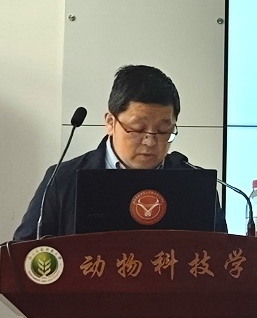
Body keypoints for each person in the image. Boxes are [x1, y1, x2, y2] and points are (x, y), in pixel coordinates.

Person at [14, 65, 227, 240]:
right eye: (138, 128)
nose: (150, 141)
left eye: (163, 130)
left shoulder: (195, 185)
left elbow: (221, 257)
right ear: (110, 122)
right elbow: (24, 253)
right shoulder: (63, 178)